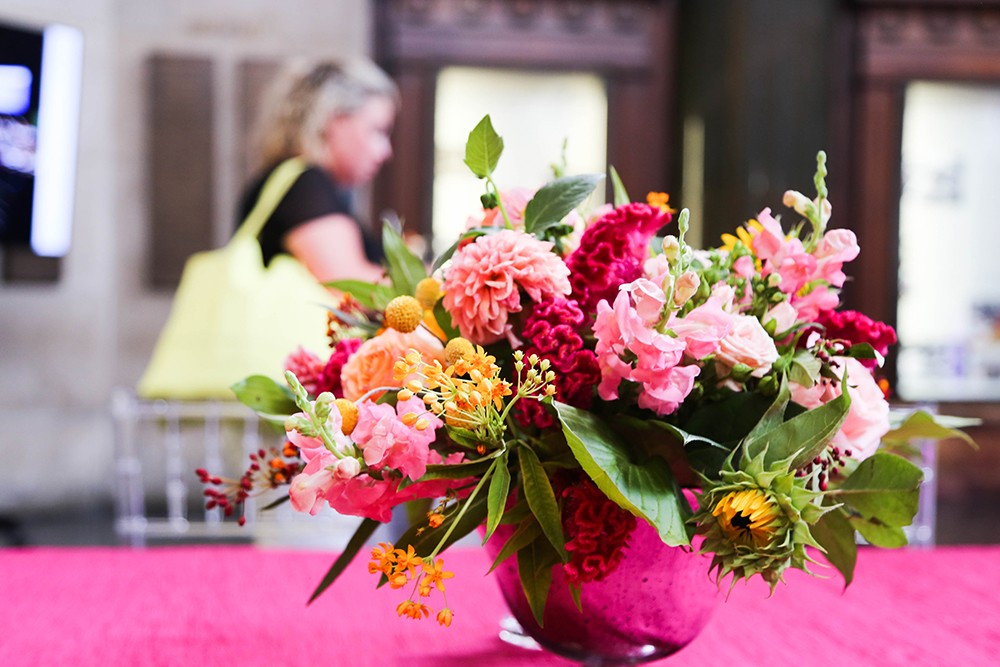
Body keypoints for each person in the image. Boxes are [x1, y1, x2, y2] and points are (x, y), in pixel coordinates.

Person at [237, 58, 398, 284]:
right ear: (335, 120)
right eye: (378, 131)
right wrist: (438, 285)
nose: (385, 151)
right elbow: (349, 285)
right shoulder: (304, 185)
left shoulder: (306, 185)